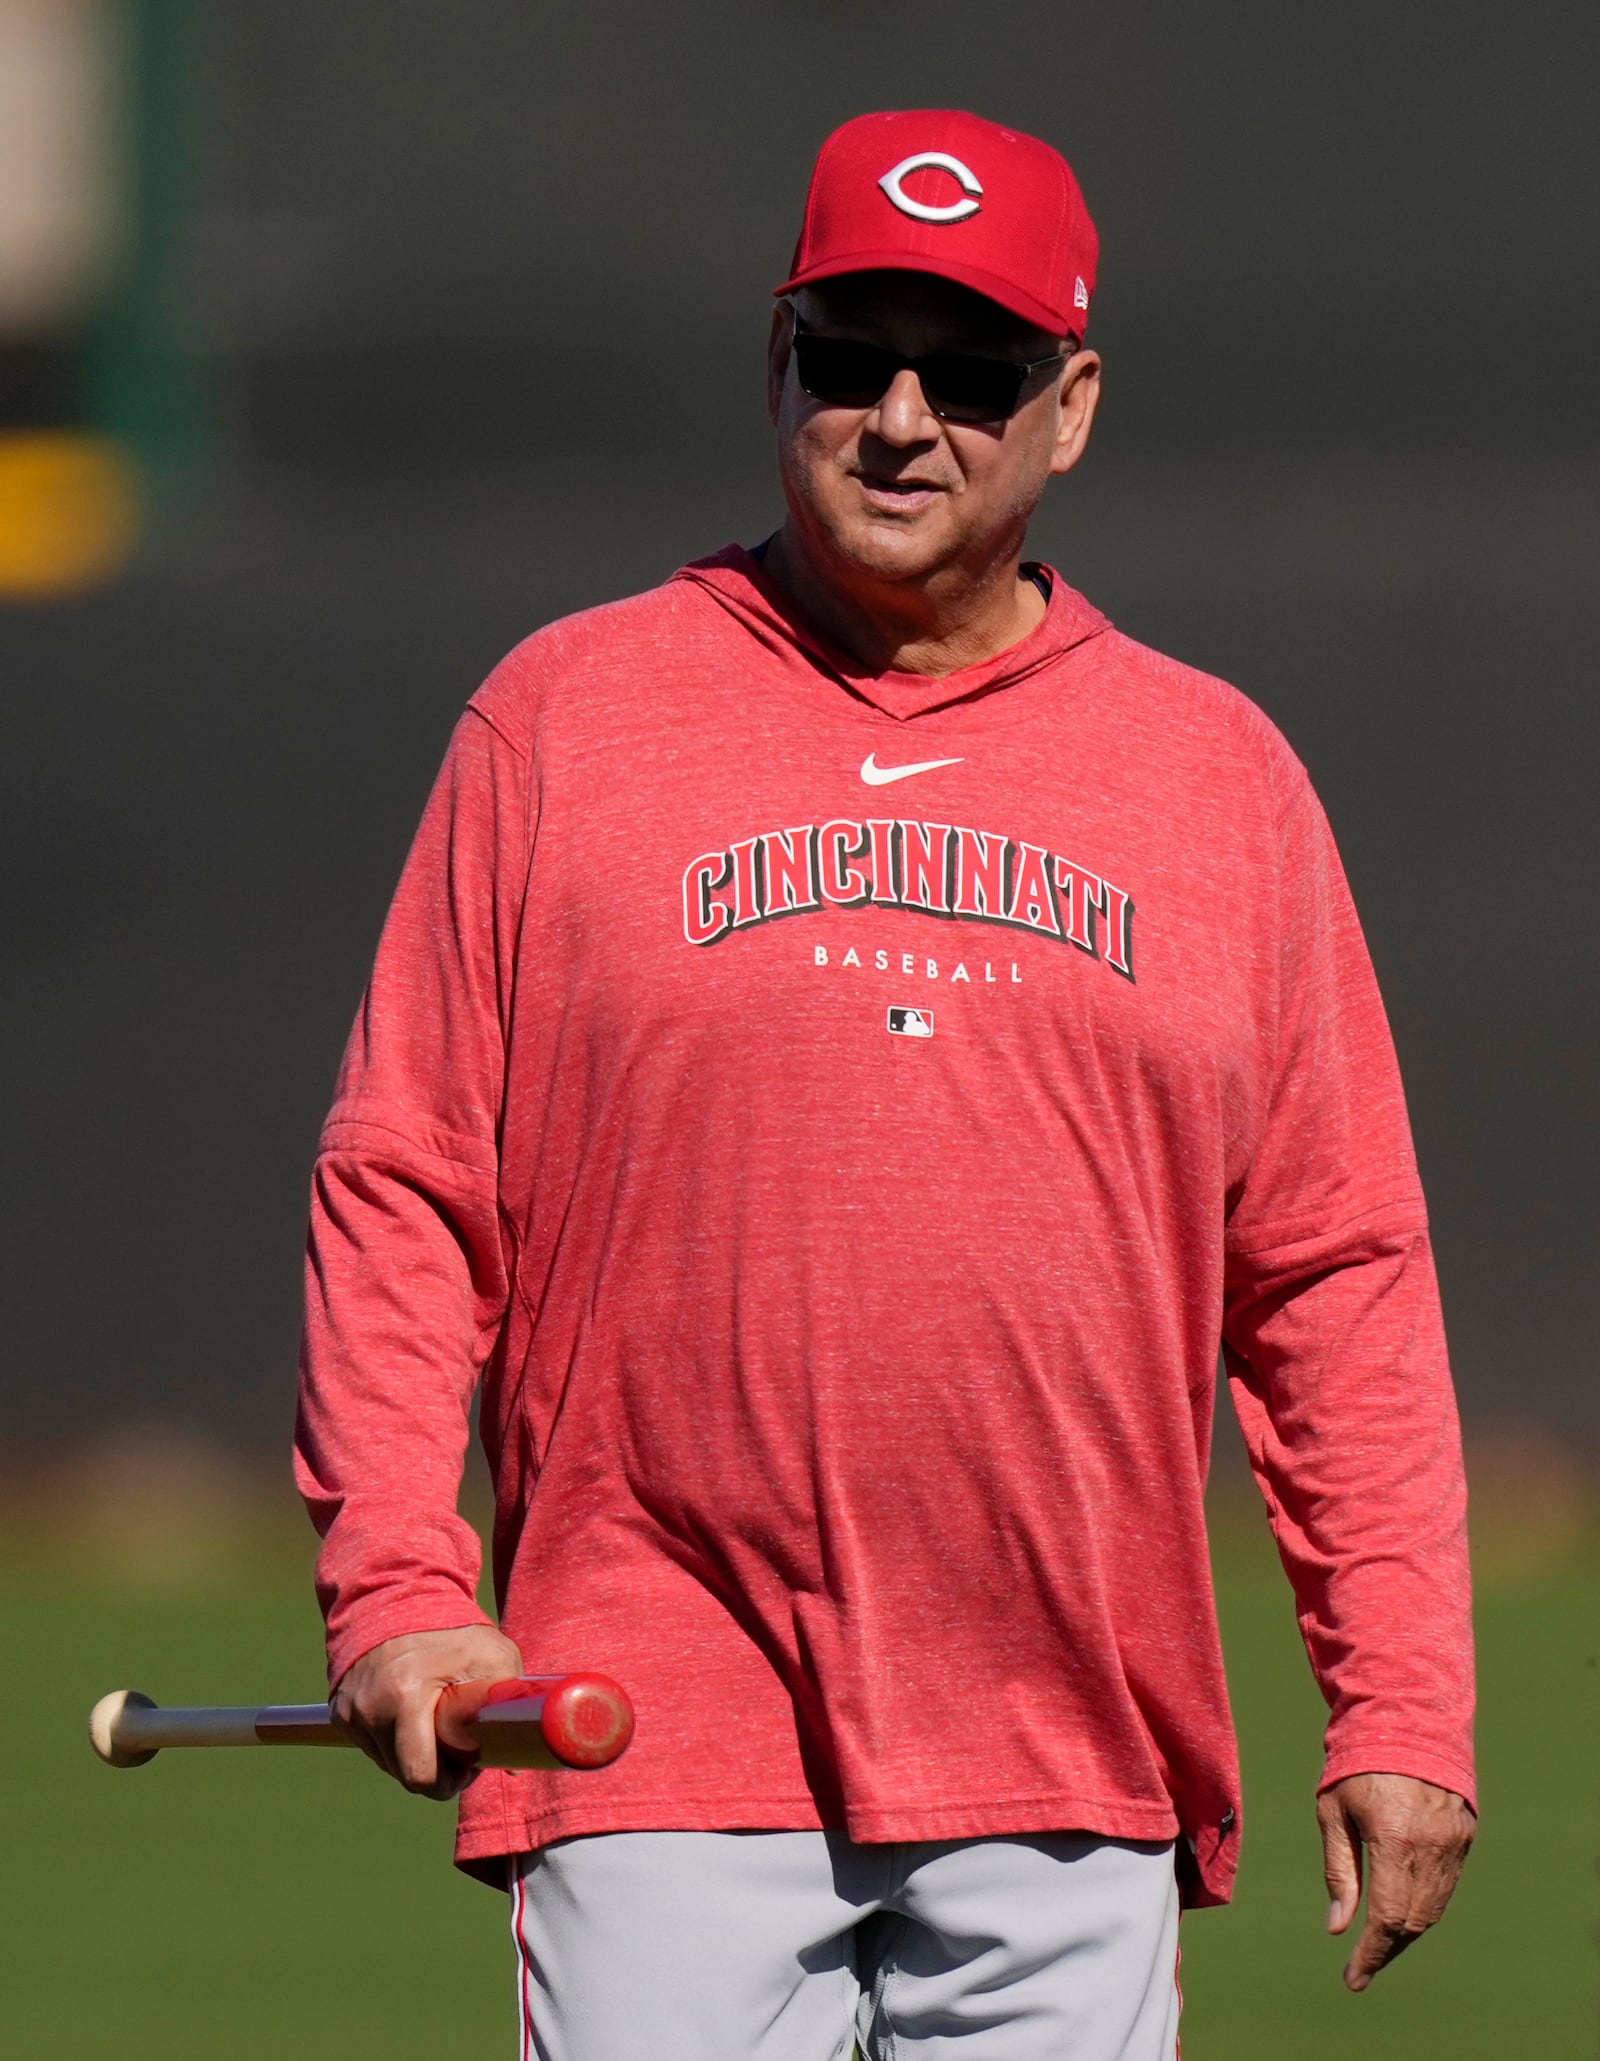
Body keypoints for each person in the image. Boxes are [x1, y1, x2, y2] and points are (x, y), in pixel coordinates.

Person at [294, 109, 1475, 2061]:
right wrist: (400, 1584)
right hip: (654, 1728)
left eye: (974, 370)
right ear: (779, 363)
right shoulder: (562, 717)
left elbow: (1334, 1274)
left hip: (1064, 1742)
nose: (901, 417)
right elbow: (407, 1186)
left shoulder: (1217, 778)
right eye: (850, 356)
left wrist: (1403, 1702)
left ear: (1069, 405)